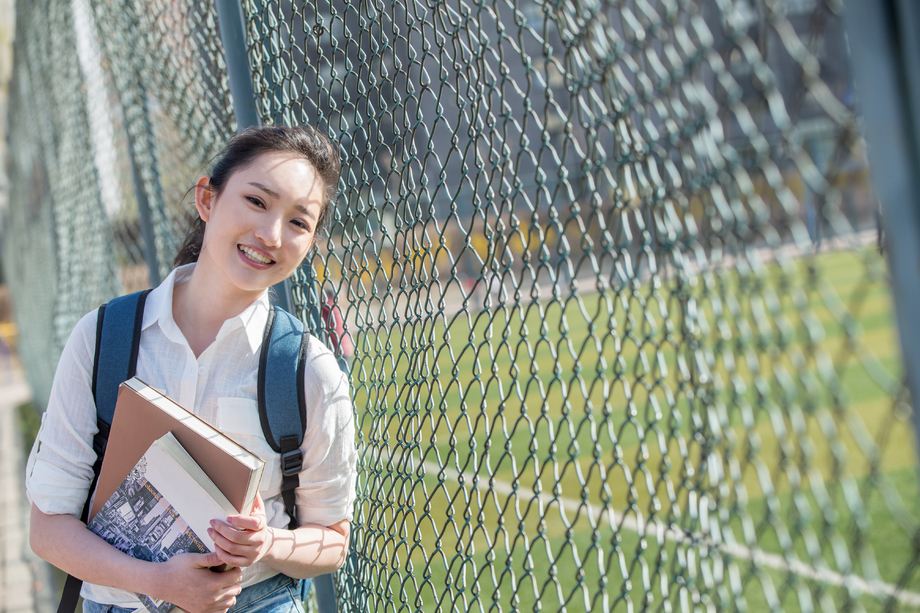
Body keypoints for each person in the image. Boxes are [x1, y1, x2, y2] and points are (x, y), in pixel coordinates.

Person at [25, 126, 357, 613]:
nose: (271, 235)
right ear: (207, 199)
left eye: (298, 222)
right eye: (257, 201)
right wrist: (156, 582)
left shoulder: (310, 371)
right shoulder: (103, 338)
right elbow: (48, 527)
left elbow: (333, 539)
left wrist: (268, 543)